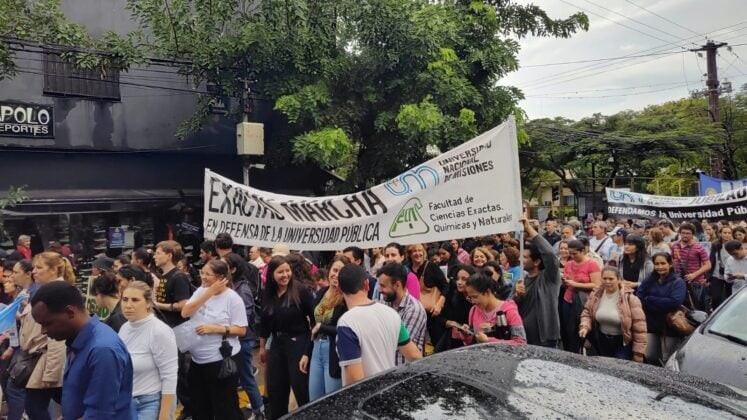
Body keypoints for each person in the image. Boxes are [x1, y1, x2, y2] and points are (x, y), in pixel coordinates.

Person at [30, 281, 134, 419]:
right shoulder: (77, 340)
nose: (43, 331)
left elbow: (99, 414)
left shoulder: (102, 350)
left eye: (47, 323)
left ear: (70, 312)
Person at [180, 259, 248, 420]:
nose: (202, 277)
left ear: (221, 277)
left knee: (225, 407)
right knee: (200, 405)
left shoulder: (233, 299)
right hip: (198, 361)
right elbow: (185, 312)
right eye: (202, 273)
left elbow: (241, 330)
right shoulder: (201, 291)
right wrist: (208, 292)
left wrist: (216, 329)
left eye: (207, 274)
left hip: (220, 361)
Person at [335, 264, 421, 386]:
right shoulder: (391, 313)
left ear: (339, 289)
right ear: (367, 284)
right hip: (389, 391)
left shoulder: (346, 323)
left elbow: (355, 380)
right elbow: (414, 355)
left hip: (367, 399)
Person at [17, 252, 73, 419]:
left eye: (39, 267)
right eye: (34, 267)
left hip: (47, 359)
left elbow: (58, 338)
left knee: (36, 407)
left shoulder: (57, 293)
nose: (34, 271)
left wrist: (51, 372)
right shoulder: (45, 291)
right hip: (39, 358)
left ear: (54, 270)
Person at [258, 256, 315, 420]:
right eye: (280, 272)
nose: (285, 275)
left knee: (300, 388)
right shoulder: (267, 293)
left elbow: (313, 322)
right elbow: (265, 322)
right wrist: (262, 347)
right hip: (277, 344)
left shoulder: (301, 291)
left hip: (298, 342)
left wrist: (307, 351)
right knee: (275, 388)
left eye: (287, 271)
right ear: (271, 275)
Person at [119, 281, 178, 420]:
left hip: (150, 404)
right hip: (126, 402)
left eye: (135, 300)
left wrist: (164, 415)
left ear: (148, 303)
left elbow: (169, 376)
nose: (128, 305)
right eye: (125, 299)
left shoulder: (160, 331)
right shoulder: (124, 328)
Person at [153, 240, 193, 416]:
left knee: (181, 371)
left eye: (159, 252)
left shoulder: (178, 277)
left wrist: (160, 305)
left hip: (178, 330)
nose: (155, 255)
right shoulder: (163, 276)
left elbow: (183, 305)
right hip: (167, 329)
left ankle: (191, 406)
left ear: (169, 255)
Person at [222, 253, 264, 418]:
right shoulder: (230, 287)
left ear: (232, 269)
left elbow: (245, 317)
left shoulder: (242, 289)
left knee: (246, 378)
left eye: (224, 266)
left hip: (243, 340)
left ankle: (258, 410)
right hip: (232, 340)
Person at [579, 267, 647, 362]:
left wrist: (638, 353)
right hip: (601, 340)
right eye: (604, 278)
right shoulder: (595, 295)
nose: (607, 281)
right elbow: (587, 313)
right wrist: (585, 326)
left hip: (623, 343)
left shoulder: (630, 299)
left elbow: (639, 329)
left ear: (619, 280)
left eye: (611, 279)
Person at [306, 256, 349, 401]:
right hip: (316, 349)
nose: (336, 275)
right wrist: (307, 353)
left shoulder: (347, 298)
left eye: (341, 272)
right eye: (334, 270)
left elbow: (346, 329)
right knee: (314, 399)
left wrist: (322, 327)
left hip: (333, 352)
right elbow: (312, 325)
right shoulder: (321, 292)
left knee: (332, 402)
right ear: (329, 271)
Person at [515, 217, 562, 348]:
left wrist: (529, 229)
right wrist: (517, 295)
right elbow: (512, 305)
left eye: (524, 257)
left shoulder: (549, 278)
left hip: (545, 338)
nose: (520, 259)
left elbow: (549, 253)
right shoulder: (521, 280)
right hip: (524, 337)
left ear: (536, 262)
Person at [636, 253, 687, 365]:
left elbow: (674, 302)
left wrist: (650, 299)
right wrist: (662, 301)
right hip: (651, 323)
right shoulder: (650, 279)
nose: (660, 267)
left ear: (670, 264)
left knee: (666, 358)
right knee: (650, 355)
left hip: (670, 326)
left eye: (663, 263)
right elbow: (639, 296)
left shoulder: (678, 282)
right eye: (657, 264)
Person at [377, 263, 427, 364]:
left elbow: (398, 344)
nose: (379, 290)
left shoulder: (414, 309)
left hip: (404, 370)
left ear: (397, 285)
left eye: (383, 286)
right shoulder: (385, 300)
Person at [461, 273, 526, 346]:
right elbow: (472, 342)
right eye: (470, 298)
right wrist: (466, 335)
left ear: (488, 292)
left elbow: (521, 343)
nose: (472, 301)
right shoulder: (474, 310)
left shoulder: (509, 311)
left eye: (475, 297)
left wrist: (489, 341)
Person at [560, 239, 601, 352]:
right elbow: (567, 277)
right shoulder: (569, 264)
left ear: (582, 251)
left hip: (584, 301)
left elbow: (597, 285)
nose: (572, 256)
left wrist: (576, 284)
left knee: (581, 329)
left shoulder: (592, 264)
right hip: (568, 300)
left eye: (575, 253)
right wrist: (565, 281)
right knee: (568, 330)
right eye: (570, 253)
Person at [671, 222, 712, 311]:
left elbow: (708, 265)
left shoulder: (699, 248)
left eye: (688, 233)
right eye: (683, 233)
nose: (685, 235)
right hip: (678, 281)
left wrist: (694, 275)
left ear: (693, 234)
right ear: (679, 233)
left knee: (697, 309)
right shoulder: (674, 245)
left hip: (695, 283)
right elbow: (672, 261)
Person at [434, 264, 475, 352]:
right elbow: (438, 316)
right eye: (458, 278)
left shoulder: (477, 300)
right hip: (452, 338)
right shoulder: (452, 295)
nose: (459, 282)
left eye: (464, 279)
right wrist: (448, 322)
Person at [418, 261, 449, 350]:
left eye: (419, 250)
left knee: (436, 343)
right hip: (418, 313)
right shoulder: (407, 268)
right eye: (414, 251)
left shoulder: (430, 266)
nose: (417, 253)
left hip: (433, 314)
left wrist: (439, 304)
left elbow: (445, 285)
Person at [710, 225, 734, 309]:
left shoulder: (734, 245)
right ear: (720, 233)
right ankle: (714, 312)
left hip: (731, 275)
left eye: (729, 233)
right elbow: (711, 259)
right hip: (717, 275)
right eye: (724, 233)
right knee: (716, 297)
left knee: (730, 297)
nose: (727, 235)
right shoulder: (715, 244)